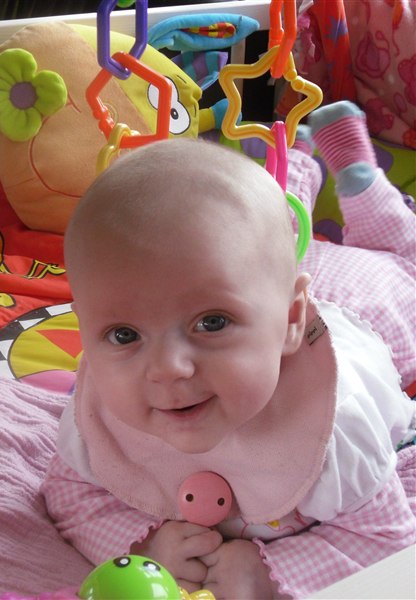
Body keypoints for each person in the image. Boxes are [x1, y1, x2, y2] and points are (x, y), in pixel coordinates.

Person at [42, 102, 416, 600]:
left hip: (372, 298)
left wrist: (273, 572)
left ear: (292, 321)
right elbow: (70, 497)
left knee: (399, 258)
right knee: (263, 243)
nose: (169, 369)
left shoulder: (336, 430)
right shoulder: (98, 422)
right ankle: (297, 162)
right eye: (124, 335)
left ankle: (356, 176)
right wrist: (144, 549)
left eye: (212, 323)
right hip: (268, 287)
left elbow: (388, 542)